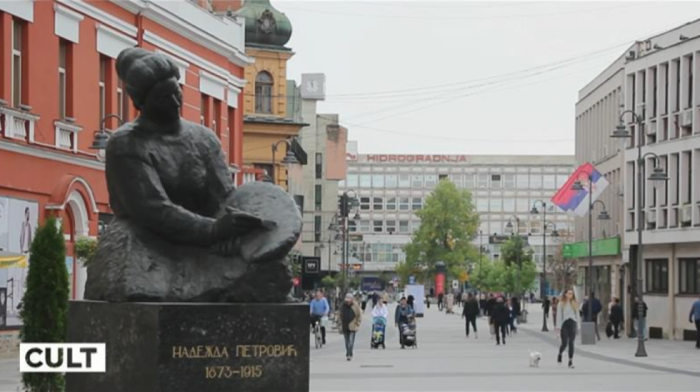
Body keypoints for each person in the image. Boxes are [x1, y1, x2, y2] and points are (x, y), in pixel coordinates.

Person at [556, 289, 579, 369]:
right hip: (564, 324)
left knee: (571, 343)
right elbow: (559, 316)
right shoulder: (561, 303)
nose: (570, 295)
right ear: (565, 294)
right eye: (569, 293)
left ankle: (570, 361)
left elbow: (577, 315)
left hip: (572, 323)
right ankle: (560, 353)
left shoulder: (574, 303)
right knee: (565, 343)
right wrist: (558, 328)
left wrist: (578, 327)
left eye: (572, 293)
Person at [340, 293, 362, 361]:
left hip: (353, 325)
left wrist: (358, 323)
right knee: (346, 341)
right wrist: (339, 322)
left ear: (352, 300)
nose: (348, 302)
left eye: (349, 300)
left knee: (351, 341)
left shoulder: (355, 306)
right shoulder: (343, 305)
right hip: (345, 325)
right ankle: (348, 352)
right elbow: (340, 314)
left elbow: (359, 315)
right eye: (347, 300)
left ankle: (350, 353)